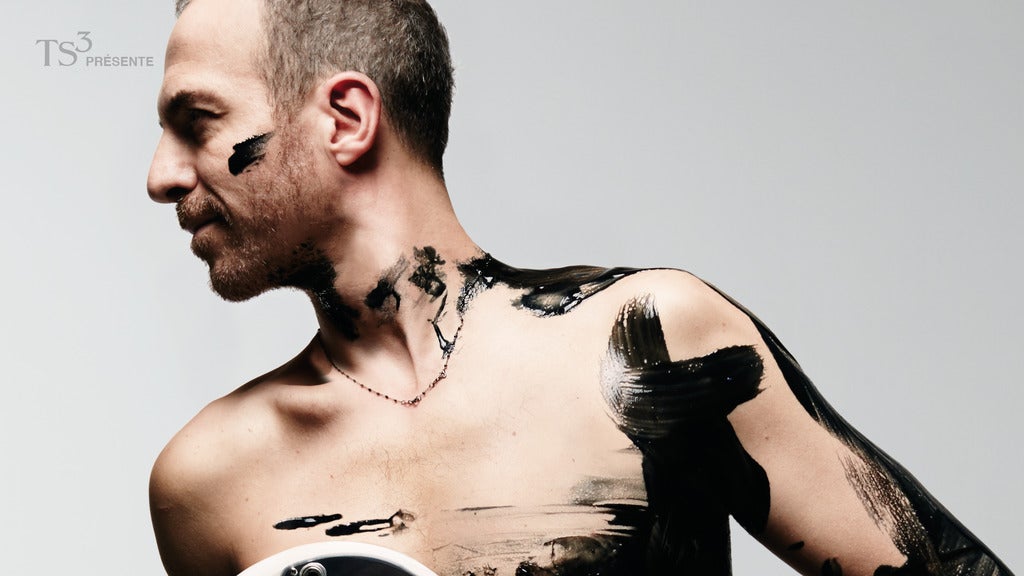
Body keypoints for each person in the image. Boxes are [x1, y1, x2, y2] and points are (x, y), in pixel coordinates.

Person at [146, 0, 1013, 575]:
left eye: (197, 122)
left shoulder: (646, 343)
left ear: (346, 118)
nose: (160, 177)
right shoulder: (208, 481)